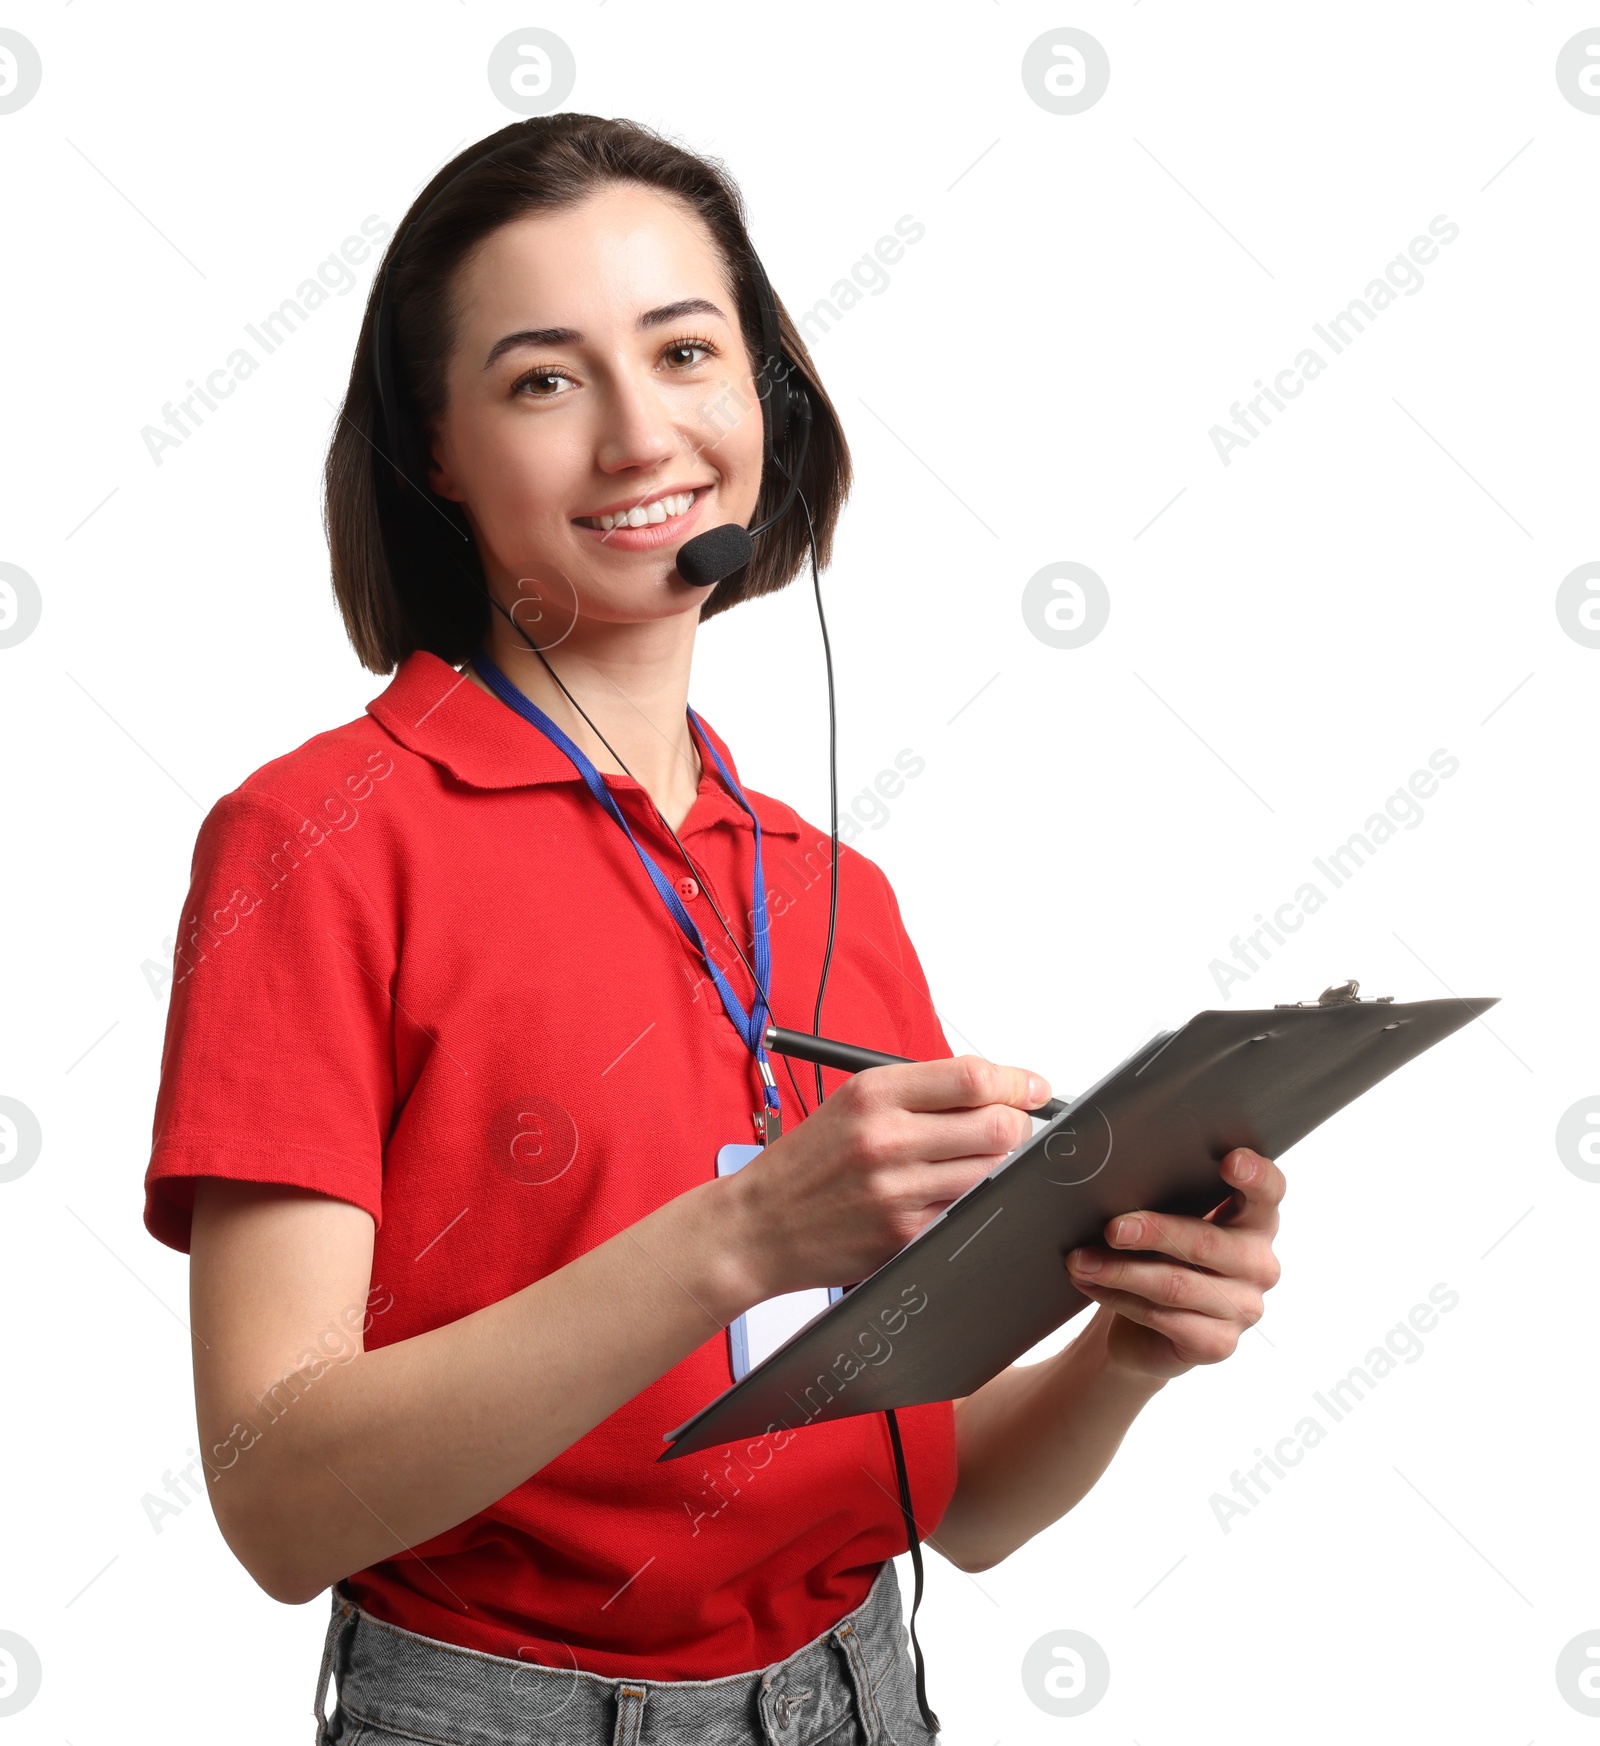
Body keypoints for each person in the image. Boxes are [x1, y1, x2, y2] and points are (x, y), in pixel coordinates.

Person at [142, 113, 1285, 1746]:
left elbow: (949, 1499)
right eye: (545, 378)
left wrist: (1127, 1346)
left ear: (770, 394)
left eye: (687, 350)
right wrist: (740, 1235)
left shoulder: (829, 889)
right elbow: (280, 1501)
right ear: (433, 449)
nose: (639, 435)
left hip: (859, 1694)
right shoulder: (316, 844)